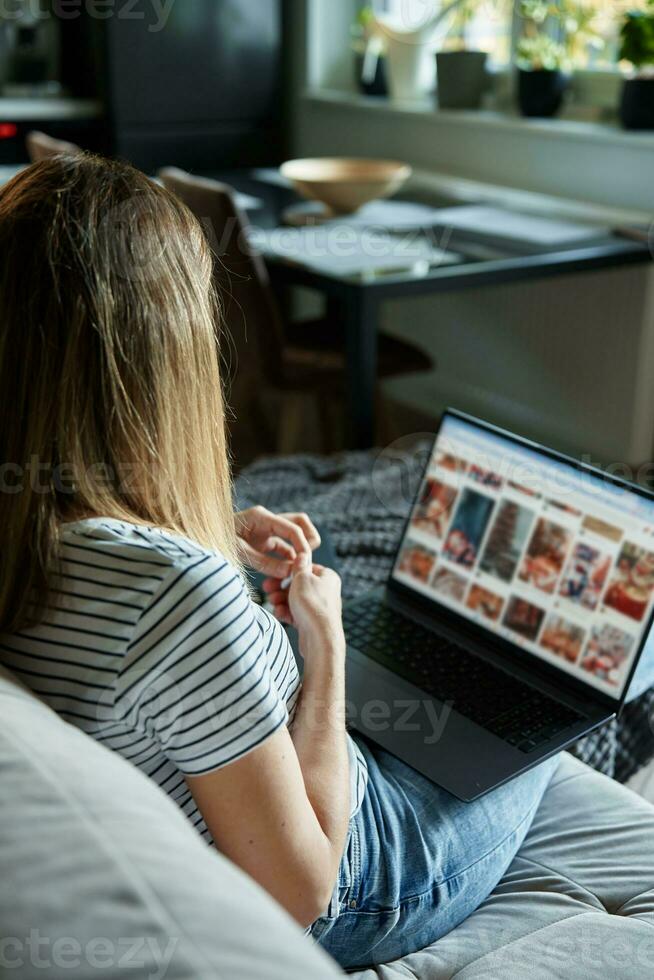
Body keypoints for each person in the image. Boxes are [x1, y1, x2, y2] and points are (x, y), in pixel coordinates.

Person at [0, 155, 558, 971]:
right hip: (366, 869)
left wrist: (213, 530)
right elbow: (305, 891)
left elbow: (89, 554)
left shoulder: (31, 520)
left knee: (454, 663)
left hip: (272, 764)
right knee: (556, 680)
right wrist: (326, 656)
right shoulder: (175, 598)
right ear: (166, 355)